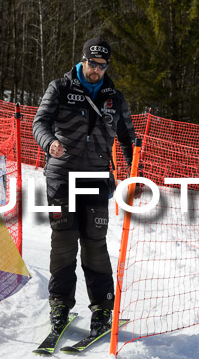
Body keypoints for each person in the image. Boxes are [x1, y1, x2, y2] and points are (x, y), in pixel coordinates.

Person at [32, 37, 136, 337]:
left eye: (103, 66)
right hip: (62, 176)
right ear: (83, 60)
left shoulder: (114, 97)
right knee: (64, 242)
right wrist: (49, 142)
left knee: (94, 244)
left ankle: (103, 307)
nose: (97, 71)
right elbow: (40, 122)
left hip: (96, 177)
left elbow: (129, 138)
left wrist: (134, 171)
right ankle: (60, 306)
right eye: (93, 64)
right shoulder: (61, 87)